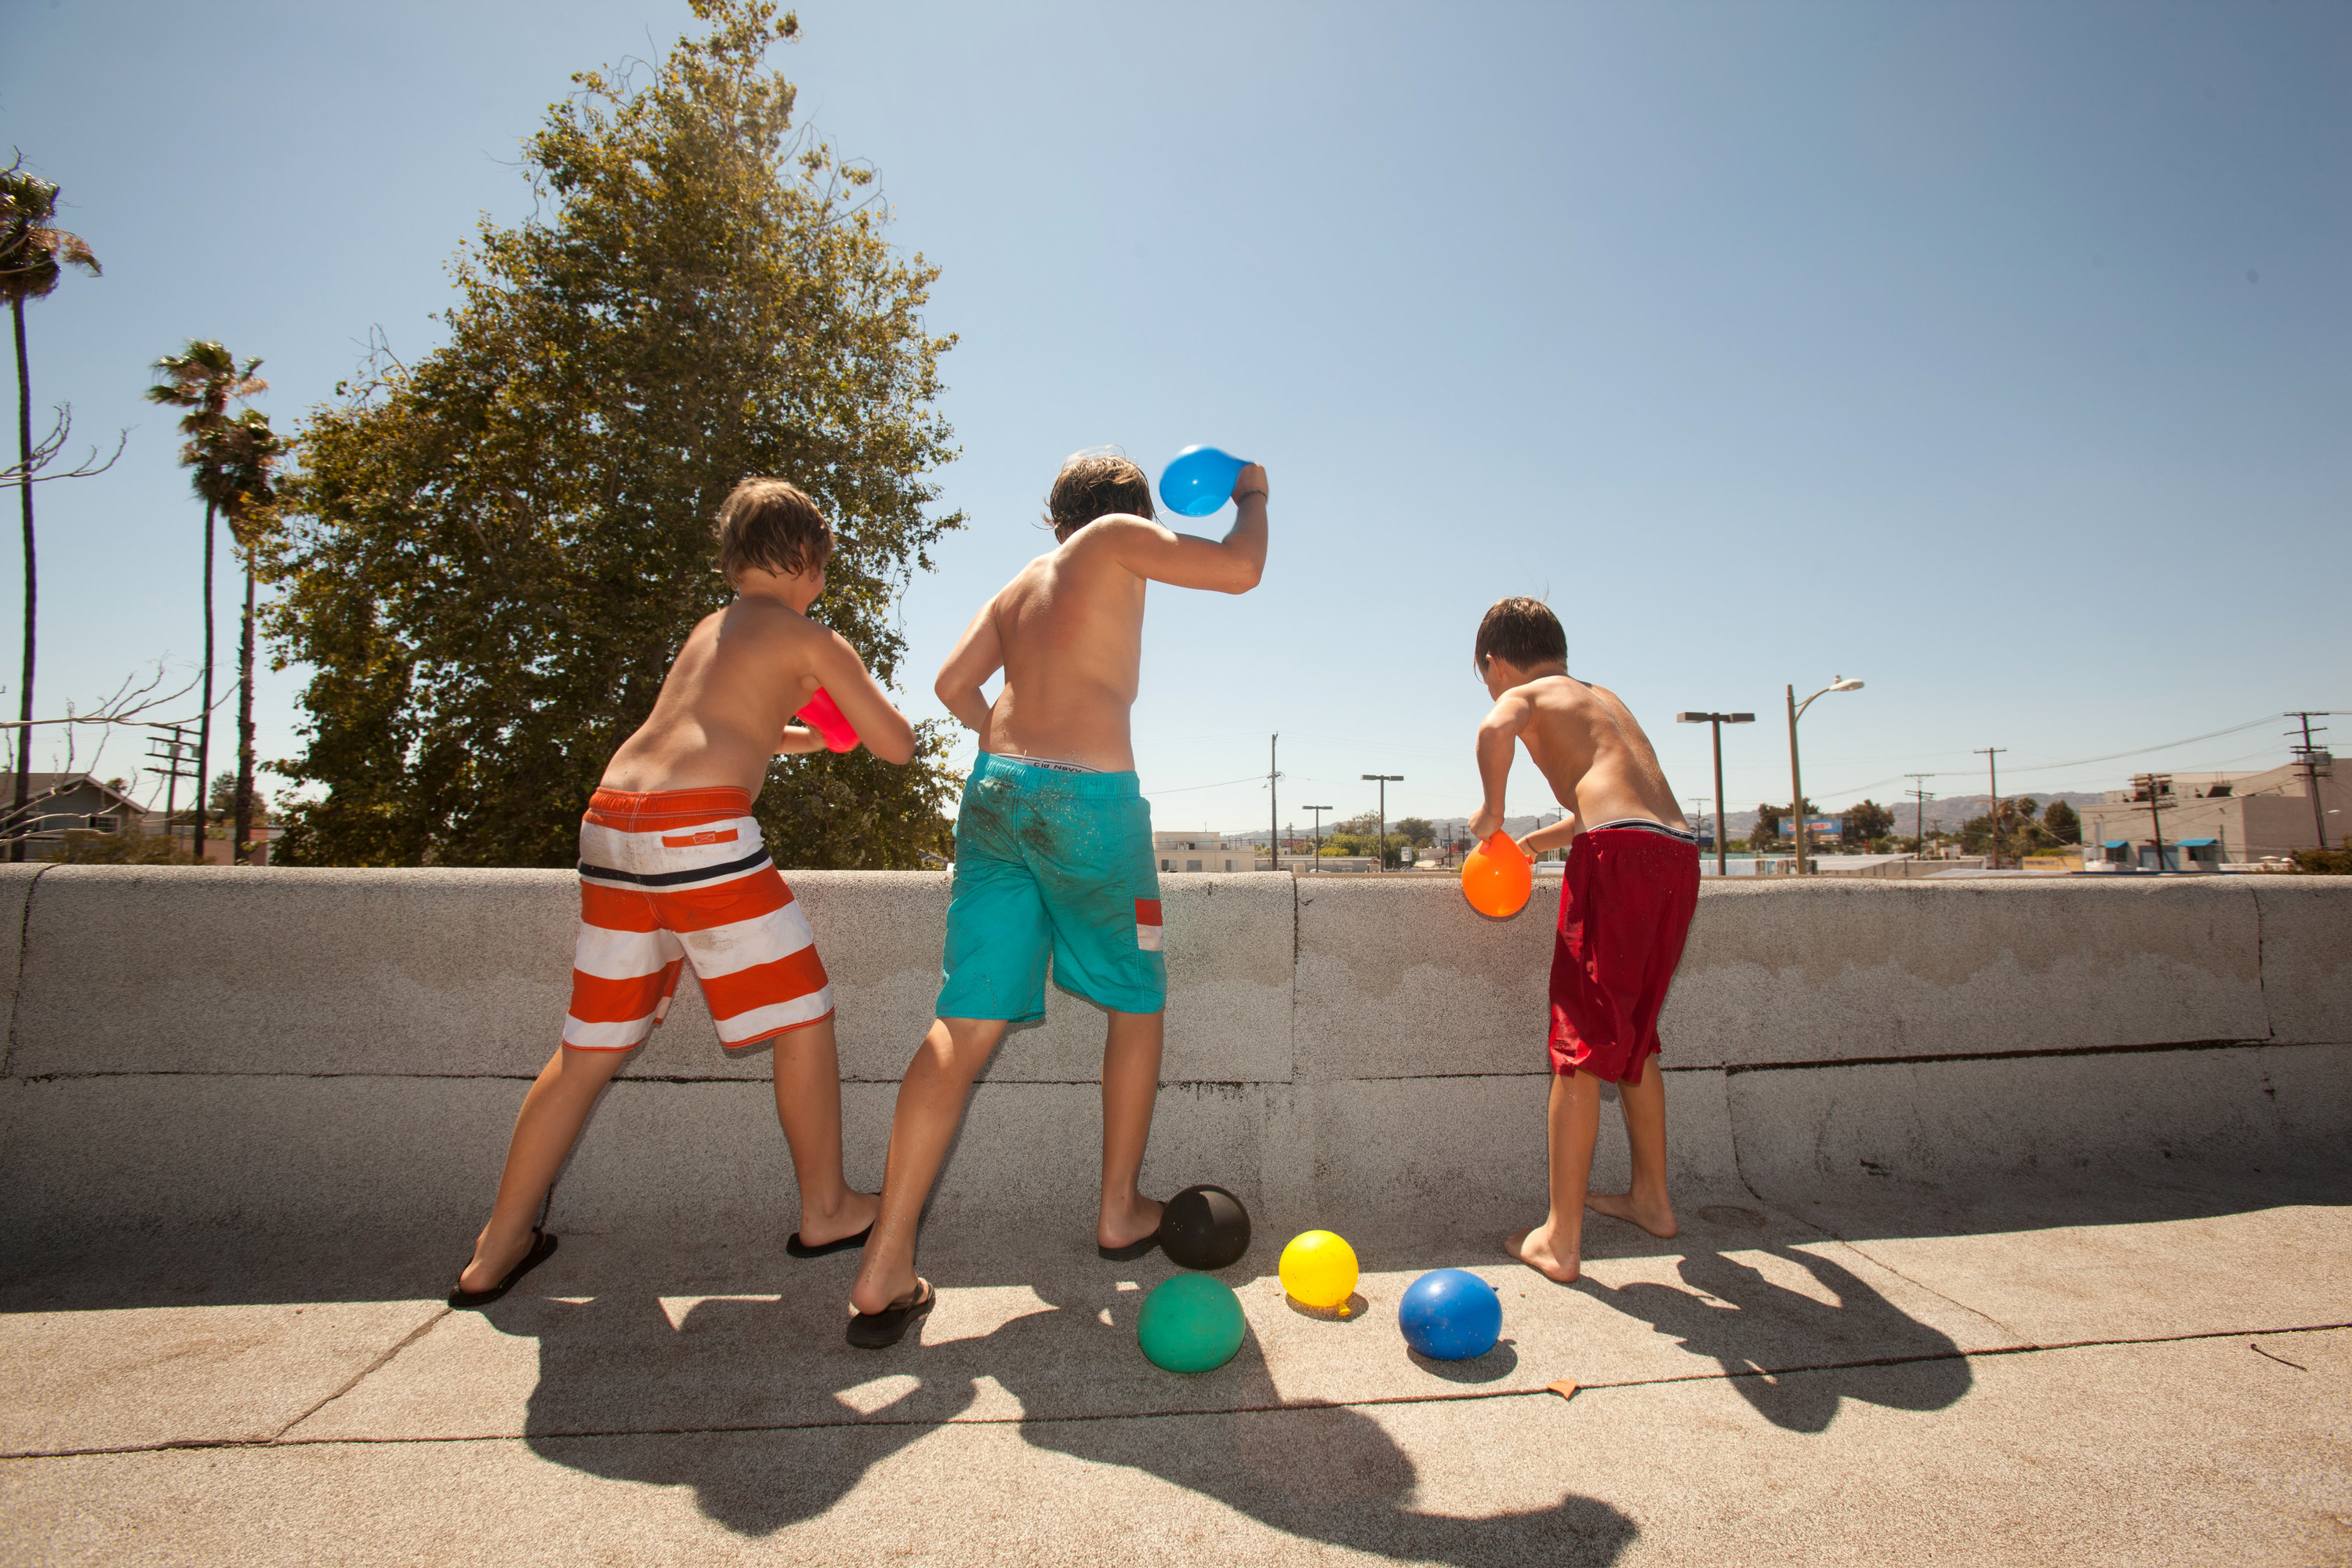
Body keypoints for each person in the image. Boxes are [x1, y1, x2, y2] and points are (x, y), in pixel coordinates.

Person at [450, 478, 917, 1308]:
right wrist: (841, 706)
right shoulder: (810, 635)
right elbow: (896, 745)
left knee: (588, 1046)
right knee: (802, 1014)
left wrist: (806, 737)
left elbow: (728, 725)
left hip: (612, 822)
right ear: (806, 560)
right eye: (823, 572)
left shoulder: (710, 630)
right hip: (697, 830)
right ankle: (827, 1207)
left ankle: (496, 1245)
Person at [844, 448, 1269, 1347]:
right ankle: (1119, 1208)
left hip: (996, 795)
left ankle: (886, 1260)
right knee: (1137, 996)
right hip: (1088, 802)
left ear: (1053, 518)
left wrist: (1014, 737)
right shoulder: (1117, 539)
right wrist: (1253, 488)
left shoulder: (1018, 584)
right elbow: (1241, 568)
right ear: (1127, 513)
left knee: (962, 1022)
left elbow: (953, 686)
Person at [1464, 596, 1699, 1285]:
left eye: (1486, 677)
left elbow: (1495, 726)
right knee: (1634, 1034)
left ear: (1496, 662)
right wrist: (1535, 842)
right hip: (1675, 853)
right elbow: (1604, 801)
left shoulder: (1527, 694)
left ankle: (1560, 1239)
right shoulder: (1601, 698)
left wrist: (1494, 812)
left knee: (1579, 1041)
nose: (1492, 689)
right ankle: (1652, 1199)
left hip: (1620, 857)